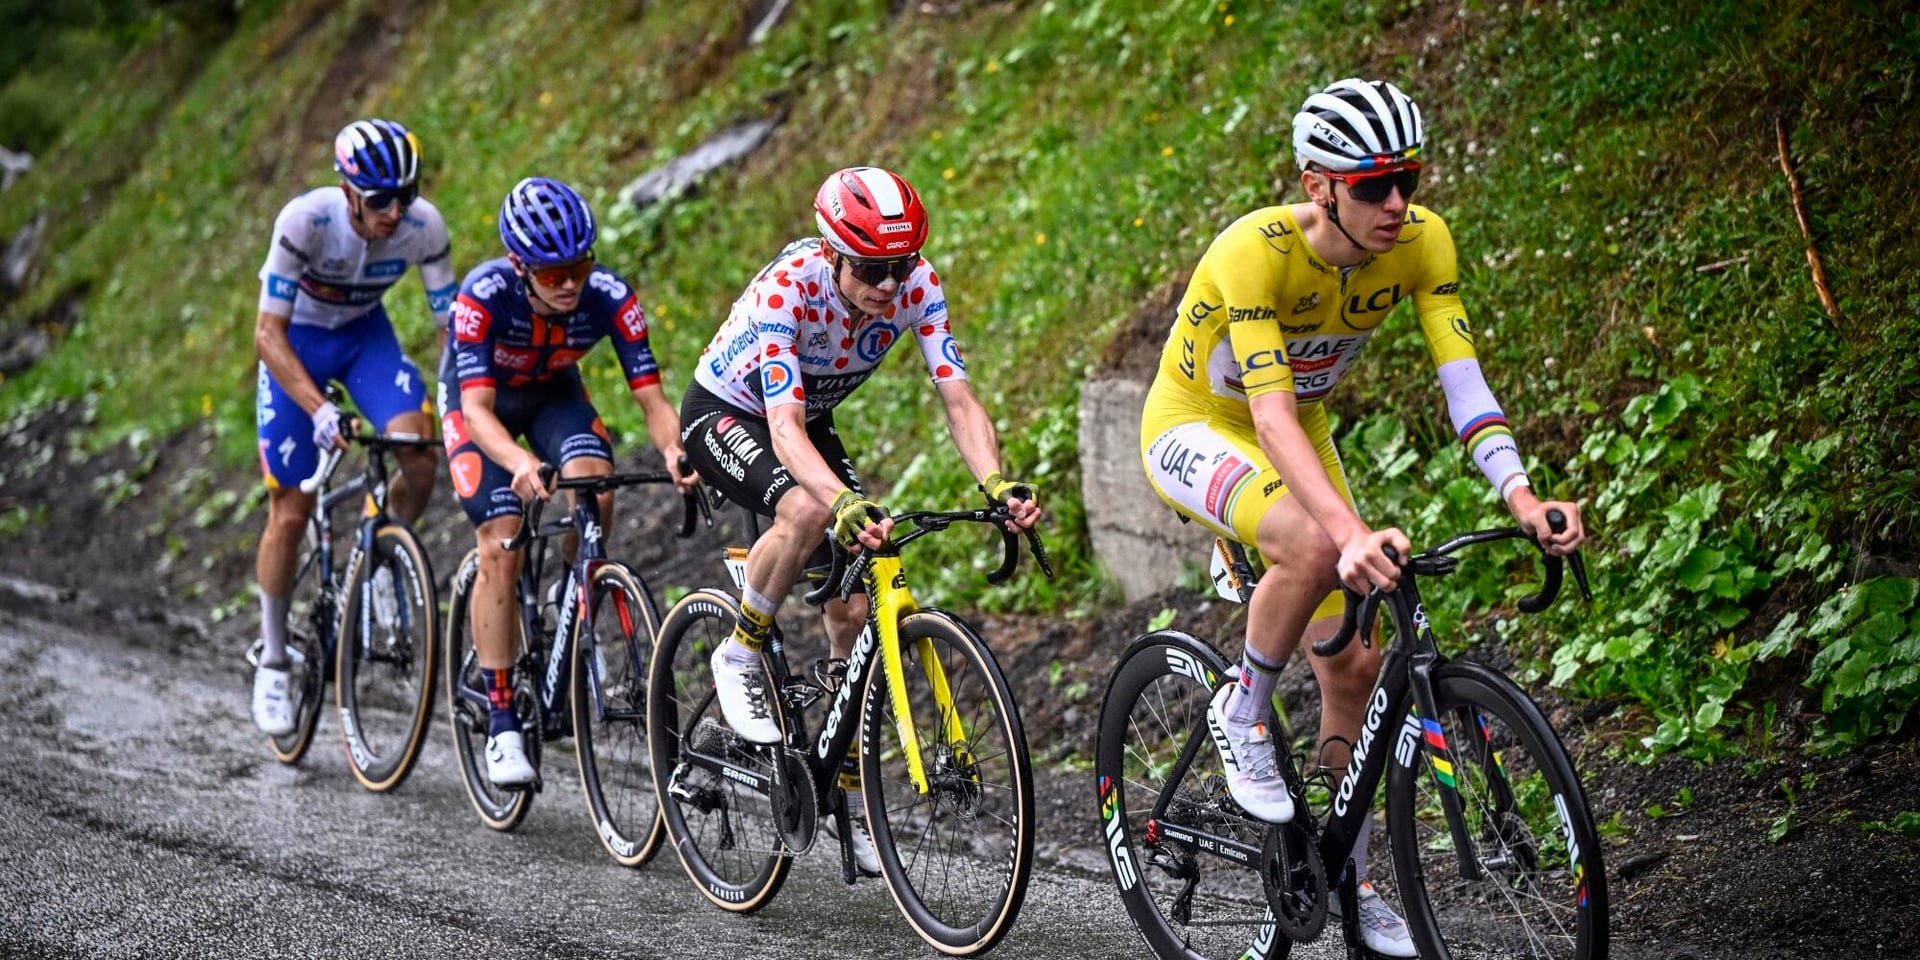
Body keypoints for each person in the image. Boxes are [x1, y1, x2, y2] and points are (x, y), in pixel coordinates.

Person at [1138, 78, 1587, 957]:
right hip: (1198, 423)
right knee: (1312, 544)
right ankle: (1244, 712)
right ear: (1318, 186)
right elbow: (1263, 416)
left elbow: (1462, 379)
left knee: (1355, 666)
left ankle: (1350, 877)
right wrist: (1346, 533)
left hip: (1301, 431)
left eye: (1408, 180)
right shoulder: (1253, 251)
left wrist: (1523, 496)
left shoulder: (1421, 244)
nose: (1397, 203)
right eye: (1374, 185)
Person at [678, 166, 1040, 876]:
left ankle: (849, 796)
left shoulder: (917, 287)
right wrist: (838, 500)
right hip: (729, 413)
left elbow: (958, 400)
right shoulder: (791, 288)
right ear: (833, 254)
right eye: (872, 267)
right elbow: (781, 426)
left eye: (899, 265)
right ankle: (742, 648)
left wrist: (994, 480)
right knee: (813, 506)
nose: (889, 283)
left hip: (807, 421)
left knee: (850, 605)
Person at [440, 176, 694, 786]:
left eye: (579, 265)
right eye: (553, 275)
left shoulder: (609, 295)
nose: (571, 283)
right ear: (519, 266)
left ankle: (570, 588)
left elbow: (652, 399)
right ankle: (502, 722)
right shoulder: (482, 297)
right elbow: (476, 412)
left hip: (554, 395)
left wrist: (674, 449)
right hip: (483, 406)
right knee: (502, 537)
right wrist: (521, 464)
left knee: (595, 484)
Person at [251, 118, 452, 736]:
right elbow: (266, 334)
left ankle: (379, 546)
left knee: (419, 453)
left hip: (366, 339)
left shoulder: (426, 227)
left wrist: (453, 402)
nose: (395, 213)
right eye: (380, 200)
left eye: (406, 196)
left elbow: (451, 329)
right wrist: (316, 409)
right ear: (347, 191)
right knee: (290, 509)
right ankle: (275, 656)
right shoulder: (304, 222)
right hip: (299, 345)